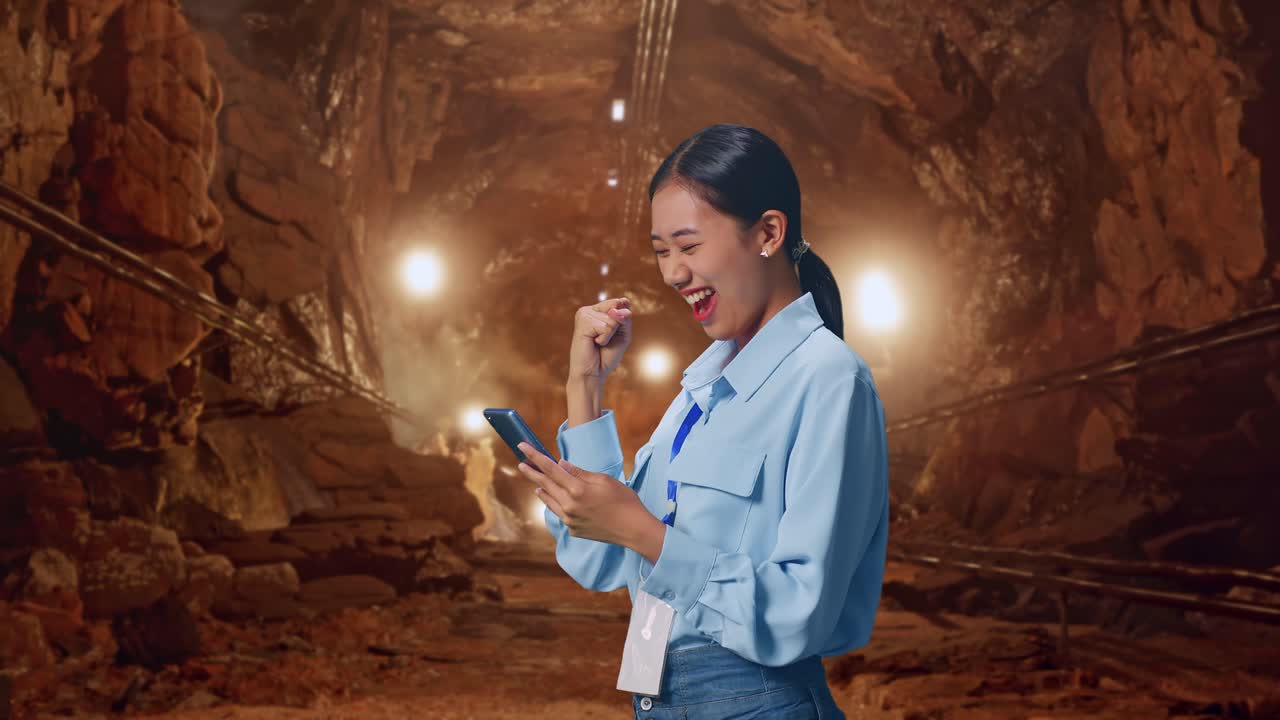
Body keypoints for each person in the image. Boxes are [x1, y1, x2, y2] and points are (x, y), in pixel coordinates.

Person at [516, 123, 889, 719]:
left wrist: (641, 530)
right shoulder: (700, 393)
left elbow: (800, 612)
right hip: (657, 693)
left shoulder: (828, 380)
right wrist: (584, 385)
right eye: (662, 251)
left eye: (688, 247)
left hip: (757, 702)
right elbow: (599, 559)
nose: (671, 274)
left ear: (768, 232)